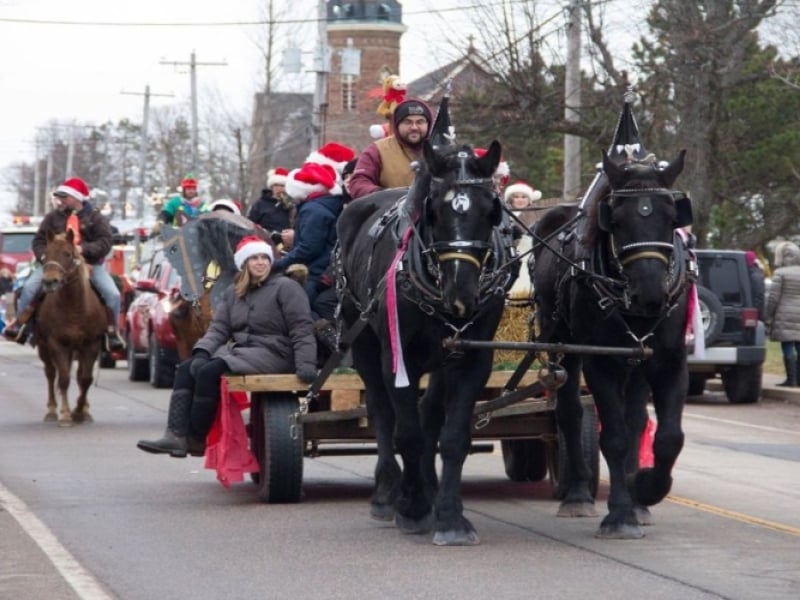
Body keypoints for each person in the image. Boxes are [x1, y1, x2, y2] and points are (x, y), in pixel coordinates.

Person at [137, 235, 318, 457]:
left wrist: (306, 364)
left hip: (275, 352)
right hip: (243, 352)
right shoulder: (234, 293)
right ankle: (174, 435)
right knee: (187, 368)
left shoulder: (285, 287)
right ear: (244, 264)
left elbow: (301, 327)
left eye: (264, 258)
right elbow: (219, 328)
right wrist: (202, 351)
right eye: (254, 258)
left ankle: (195, 438)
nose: (260, 262)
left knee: (208, 372)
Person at [2, 177, 125, 351]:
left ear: (77, 197)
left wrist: (83, 250)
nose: (61, 200)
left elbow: (105, 242)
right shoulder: (53, 217)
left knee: (112, 294)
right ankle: (22, 327)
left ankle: (112, 332)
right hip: (55, 264)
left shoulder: (96, 218)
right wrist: (45, 257)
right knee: (29, 287)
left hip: (90, 265)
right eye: (60, 197)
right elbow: (38, 240)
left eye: (64, 196)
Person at [274, 162, 345, 305]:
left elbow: (309, 248)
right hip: (324, 270)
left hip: (313, 273)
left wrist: (279, 264)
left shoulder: (312, 210)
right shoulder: (326, 205)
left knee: (300, 310)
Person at [348, 98, 433, 200]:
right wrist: (384, 194)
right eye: (407, 122)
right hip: (389, 211)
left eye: (420, 122)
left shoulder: (441, 151)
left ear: (428, 124)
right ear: (397, 125)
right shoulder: (378, 150)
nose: (414, 127)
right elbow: (358, 182)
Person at [764, 242, 800, 387]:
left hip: (784, 314)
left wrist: (768, 316)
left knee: (787, 346)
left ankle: (791, 380)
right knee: (799, 346)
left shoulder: (780, 273)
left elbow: (773, 298)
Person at [247, 166, 294, 242]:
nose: (279, 188)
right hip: (264, 242)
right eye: (276, 185)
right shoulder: (260, 204)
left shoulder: (293, 205)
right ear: (271, 187)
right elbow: (250, 225)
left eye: (282, 186)